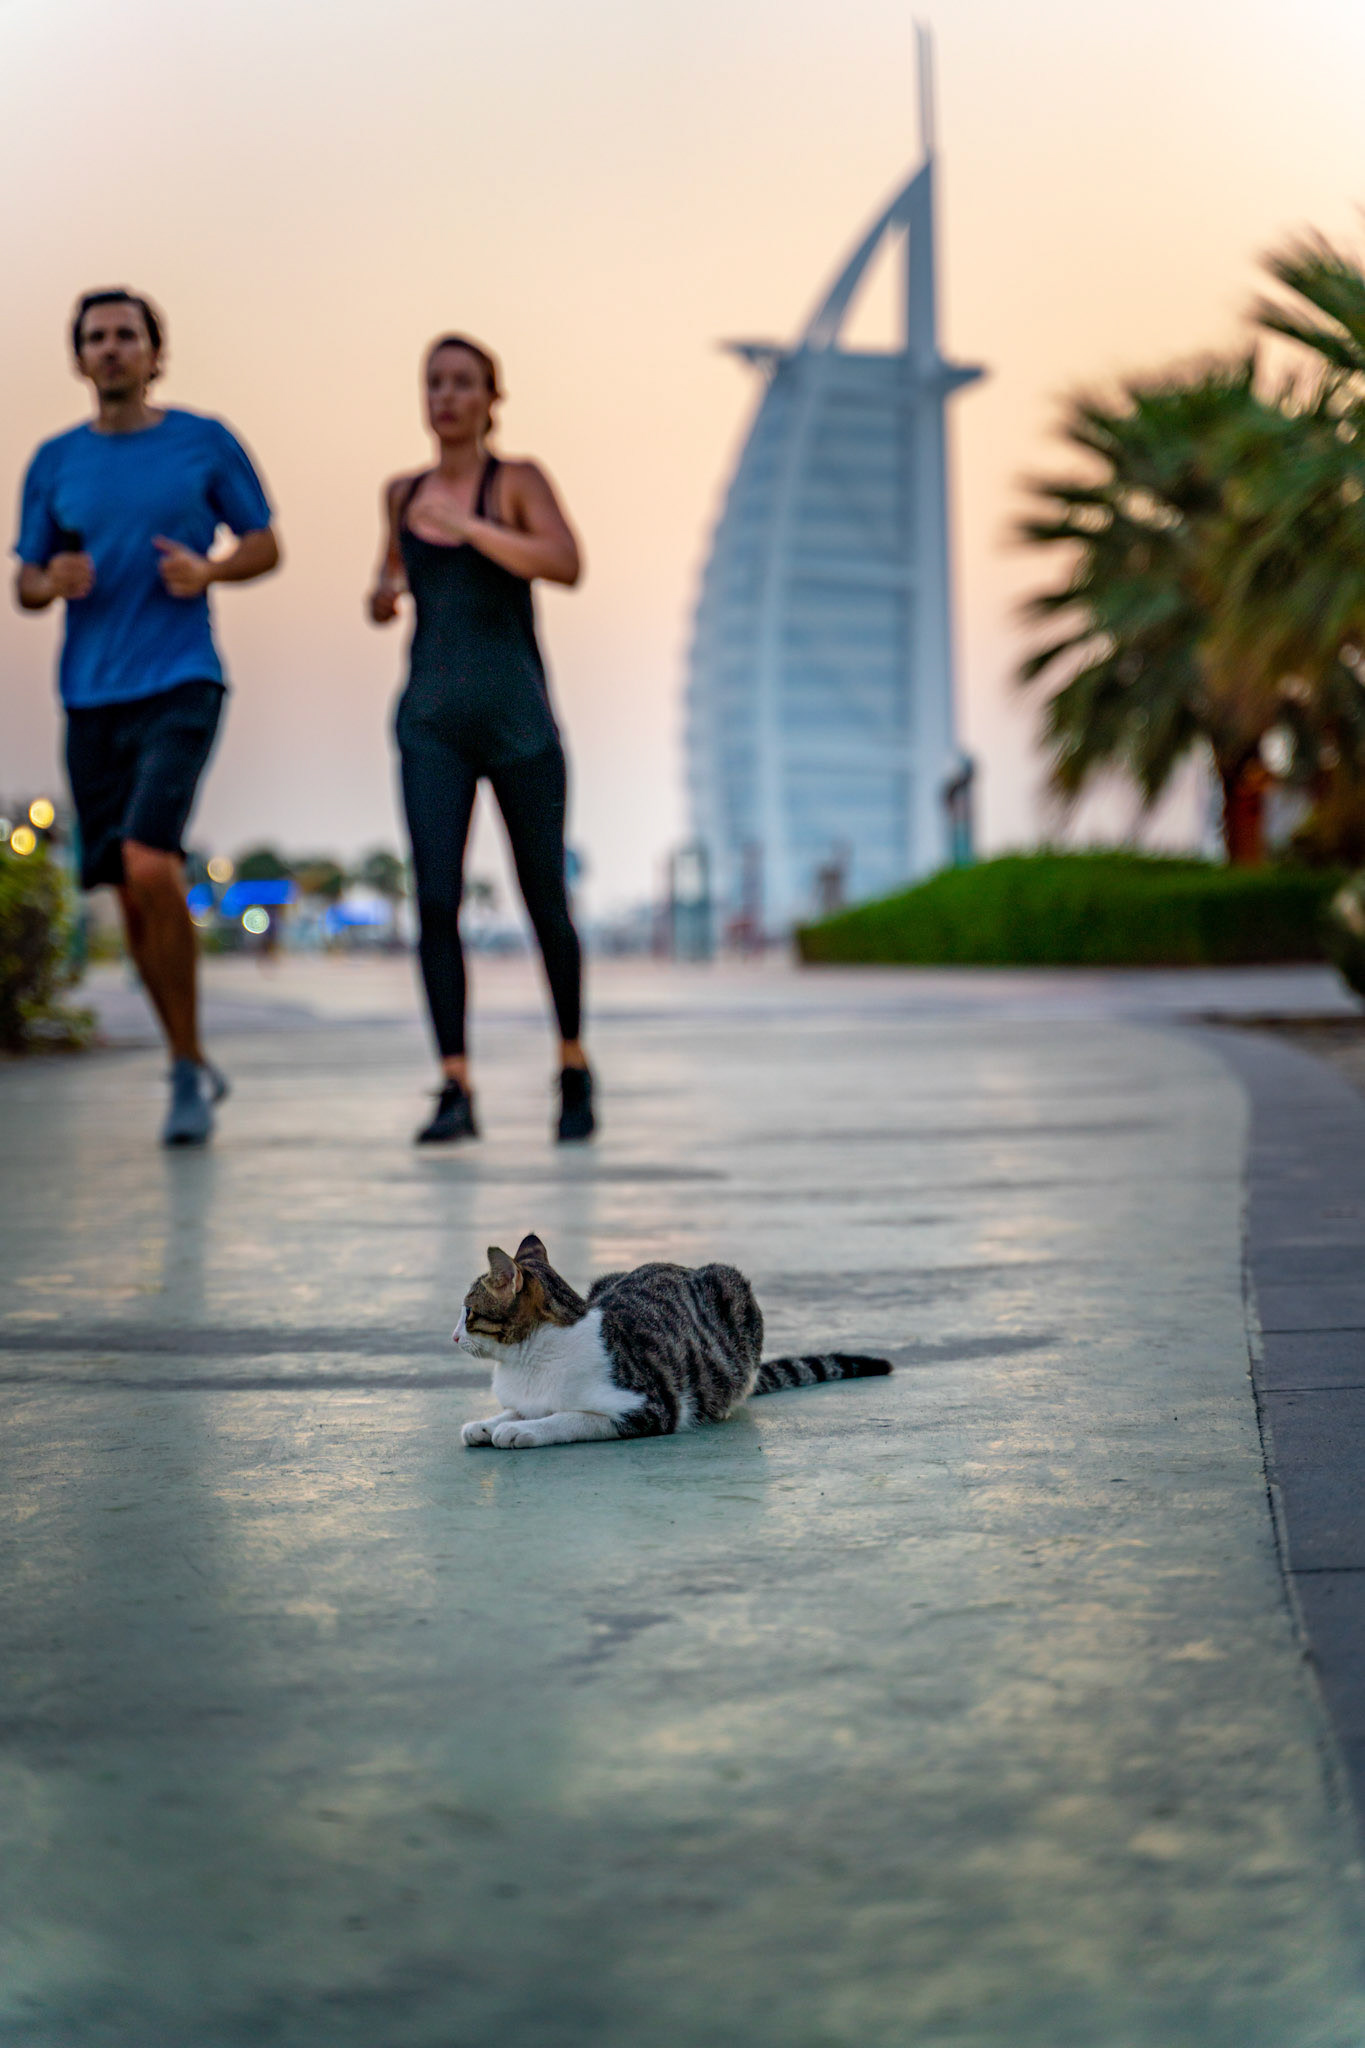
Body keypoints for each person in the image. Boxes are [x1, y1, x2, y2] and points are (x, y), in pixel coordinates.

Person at [12, 287, 280, 1145]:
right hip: (90, 697)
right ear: (79, 358)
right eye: (97, 337)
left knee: (150, 864)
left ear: (155, 354)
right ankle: (187, 1062)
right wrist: (49, 583)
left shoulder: (203, 442)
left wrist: (211, 573)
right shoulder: (54, 462)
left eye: (128, 335)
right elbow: (23, 577)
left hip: (181, 682)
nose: (113, 348)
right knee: (129, 896)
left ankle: (186, 1067)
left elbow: (265, 543)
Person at [369, 334, 594, 1143]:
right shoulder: (402, 494)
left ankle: (571, 1066)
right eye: (434, 383)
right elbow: (389, 576)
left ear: (491, 398)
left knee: (544, 901)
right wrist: (383, 594)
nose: (447, 397)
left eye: (463, 384)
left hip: (519, 721)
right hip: (431, 719)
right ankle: (453, 1085)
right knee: (433, 901)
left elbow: (565, 563)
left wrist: (469, 527)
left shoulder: (516, 482)